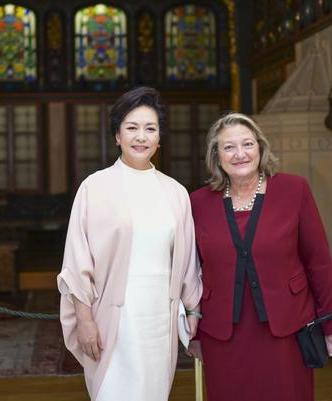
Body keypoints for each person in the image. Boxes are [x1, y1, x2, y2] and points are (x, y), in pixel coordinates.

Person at [189, 112, 332, 401]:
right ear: (216, 155)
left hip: (287, 328)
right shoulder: (197, 203)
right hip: (223, 333)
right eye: (228, 147)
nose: (240, 154)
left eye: (247, 144)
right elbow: (190, 271)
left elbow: (319, 262)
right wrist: (193, 332)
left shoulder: (294, 190)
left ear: (260, 147)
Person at [57, 86, 202, 401]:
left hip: (159, 321)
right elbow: (77, 261)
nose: (141, 137)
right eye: (132, 128)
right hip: (113, 321)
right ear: (117, 136)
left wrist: (193, 311)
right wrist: (84, 320)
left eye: (150, 129)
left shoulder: (175, 192)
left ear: (159, 138)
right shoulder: (94, 188)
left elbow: (188, 260)